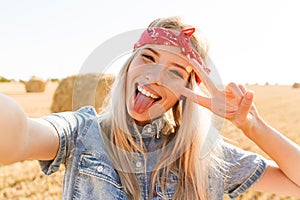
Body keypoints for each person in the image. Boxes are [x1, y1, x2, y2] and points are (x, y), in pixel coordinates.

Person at [0, 16, 300, 200]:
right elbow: (21, 134)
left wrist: (251, 126)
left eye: (175, 72)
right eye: (148, 57)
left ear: (186, 93)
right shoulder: (81, 133)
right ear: (130, 64)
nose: (154, 77)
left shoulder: (206, 157)